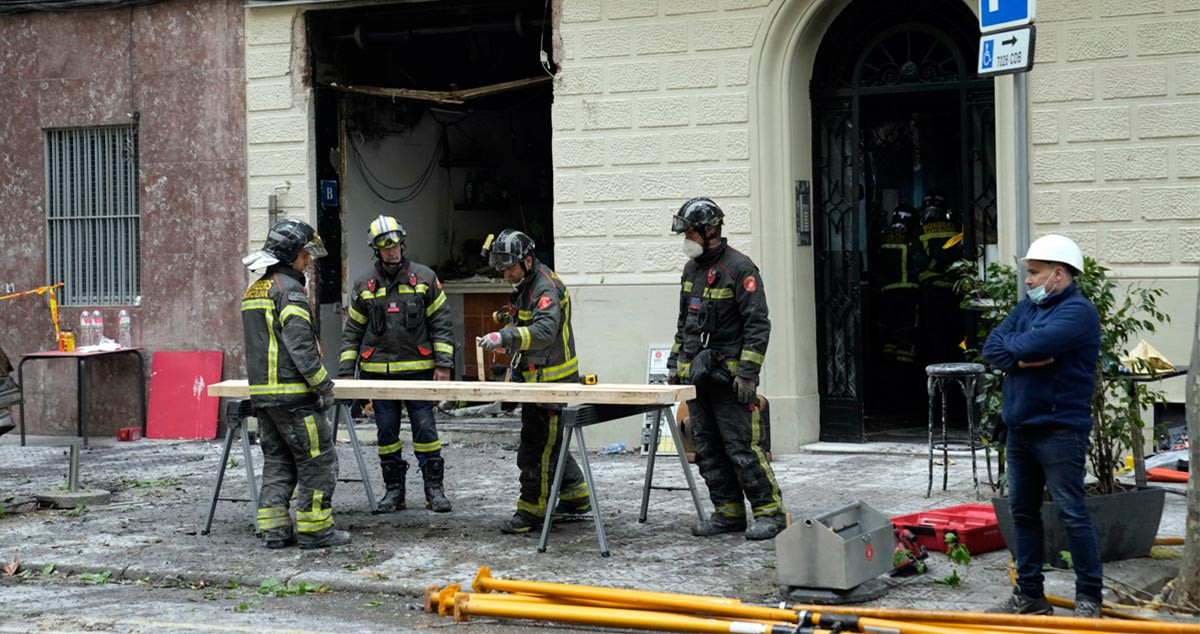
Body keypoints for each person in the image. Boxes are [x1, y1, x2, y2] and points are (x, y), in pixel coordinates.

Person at [982, 234, 1102, 618]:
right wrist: (1018, 358)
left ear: (1059, 273)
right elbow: (992, 348)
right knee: (1022, 512)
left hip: (1059, 429)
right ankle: (1030, 595)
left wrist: (1018, 349)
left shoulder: (1078, 313)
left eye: (1034, 273)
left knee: (1071, 513)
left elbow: (1030, 345)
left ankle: (1089, 599)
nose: (1028, 281)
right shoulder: (1027, 309)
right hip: (1020, 428)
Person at [666, 197, 787, 541]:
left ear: (710, 230)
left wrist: (748, 374)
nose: (686, 238)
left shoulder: (741, 270)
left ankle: (770, 513)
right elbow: (684, 325)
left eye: (690, 231)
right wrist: (676, 365)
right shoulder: (691, 271)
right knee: (707, 450)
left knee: (743, 449)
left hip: (730, 384)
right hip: (698, 381)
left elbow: (757, 326)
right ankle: (728, 513)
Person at [240, 218, 350, 550]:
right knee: (318, 461)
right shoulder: (289, 291)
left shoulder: (255, 290)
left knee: (278, 461)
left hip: (265, 398)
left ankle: (275, 531)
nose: (309, 262)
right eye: (304, 256)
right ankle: (316, 531)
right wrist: (323, 386)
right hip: (295, 398)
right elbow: (301, 347)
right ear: (290, 256)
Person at [478, 229, 590, 534]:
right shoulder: (526, 284)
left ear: (527, 260)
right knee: (550, 443)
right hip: (535, 380)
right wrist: (508, 320)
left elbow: (543, 332)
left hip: (551, 382)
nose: (505, 273)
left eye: (509, 266)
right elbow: (526, 321)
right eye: (501, 267)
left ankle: (532, 513)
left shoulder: (545, 287)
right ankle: (576, 497)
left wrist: (505, 336)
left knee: (536, 449)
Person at [339, 215, 453, 513]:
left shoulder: (425, 278)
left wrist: (443, 365)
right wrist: (345, 374)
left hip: (418, 371)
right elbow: (353, 332)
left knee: (426, 430)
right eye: (385, 246)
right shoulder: (365, 285)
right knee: (386, 434)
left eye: (395, 244)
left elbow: (441, 324)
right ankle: (394, 492)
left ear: (403, 243)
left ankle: (434, 490)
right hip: (378, 374)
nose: (392, 250)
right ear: (376, 249)